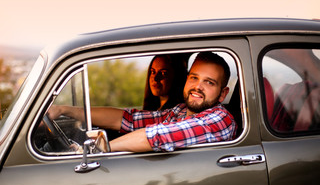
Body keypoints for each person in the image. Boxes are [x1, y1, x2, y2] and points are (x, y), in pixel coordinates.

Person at [48, 52, 237, 153]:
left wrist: (99, 149)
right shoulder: (179, 111)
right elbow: (129, 119)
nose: (198, 87)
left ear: (222, 94)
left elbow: (159, 135)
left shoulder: (220, 119)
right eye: (194, 78)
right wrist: (65, 109)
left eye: (209, 82)